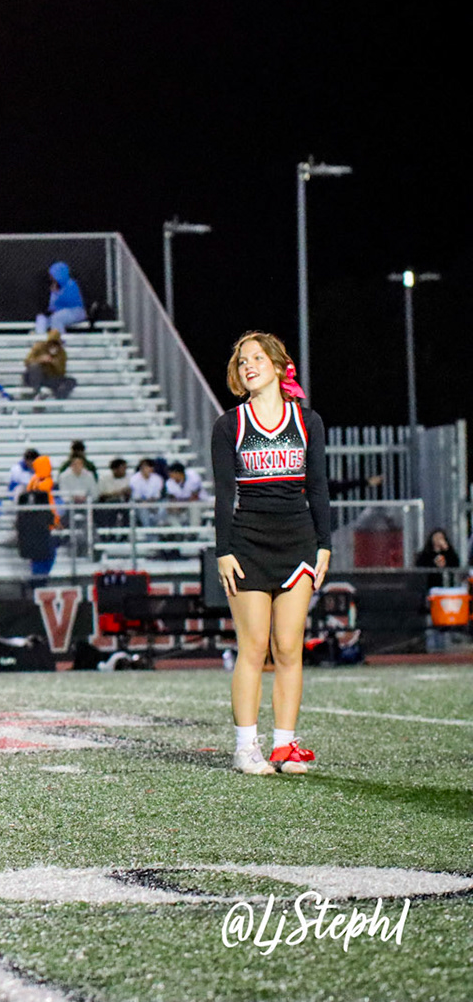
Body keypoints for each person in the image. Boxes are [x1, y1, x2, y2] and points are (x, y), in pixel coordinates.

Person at [212, 331, 330, 776]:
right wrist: (223, 550)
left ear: (280, 366)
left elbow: (317, 487)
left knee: (288, 647)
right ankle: (246, 748)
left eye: (258, 358)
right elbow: (224, 494)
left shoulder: (307, 421)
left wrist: (325, 543)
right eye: (243, 361)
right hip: (247, 544)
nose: (249, 366)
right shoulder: (230, 425)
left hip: (298, 542)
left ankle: (284, 746)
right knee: (253, 647)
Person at [34, 261, 86, 334]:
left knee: (57, 318)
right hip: (58, 313)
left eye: (52, 275)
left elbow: (68, 302)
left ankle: (59, 340)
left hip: (75, 311)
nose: (51, 277)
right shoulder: (54, 286)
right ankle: (40, 339)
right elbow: (52, 306)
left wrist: (57, 293)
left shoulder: (71, 285)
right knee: (41, 318)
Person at [23, 329, 75, 399]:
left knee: (71, 381)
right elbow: (27, 361)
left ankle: (57, 396)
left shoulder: (62, 353)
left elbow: (62, 372)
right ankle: (36, 392)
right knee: (35, 367)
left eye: (55, 344)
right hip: (37, 377)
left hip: (51, 377)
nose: (53, 346)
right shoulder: (39, 347)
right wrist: (40, 359)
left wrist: (54, 362)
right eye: (51, 343)